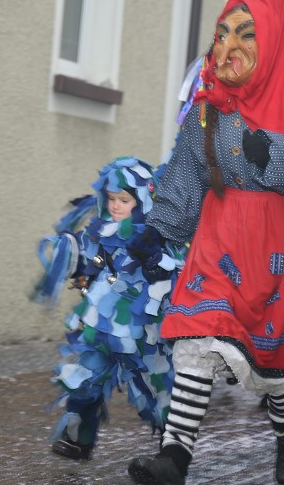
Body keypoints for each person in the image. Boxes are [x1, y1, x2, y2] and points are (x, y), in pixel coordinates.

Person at [125, 0, 284, 485]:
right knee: (198, 336)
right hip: (220, 238)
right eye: (222, 35)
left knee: (277, 372)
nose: (229, 48)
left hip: (279, 249)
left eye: (246, 35)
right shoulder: (209, 105)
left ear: (272, 42)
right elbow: (186, 172)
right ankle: (175, 461)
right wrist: (157, 230)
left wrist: (268, 150)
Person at [34, 158, 185, 460]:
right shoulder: (101, 231)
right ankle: (78, 437)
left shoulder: (157, 234)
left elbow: (176, 271)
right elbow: (87, 262)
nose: (116, 206)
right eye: (111, 199)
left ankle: (173, 450)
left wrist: (155, 261)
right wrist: (69, 255)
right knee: (86, 378)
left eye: (124, 200)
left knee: (157, 390)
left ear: (142, 198)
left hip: (144, 332)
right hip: (102, 325)